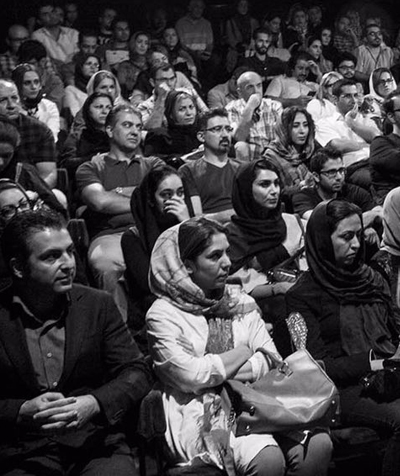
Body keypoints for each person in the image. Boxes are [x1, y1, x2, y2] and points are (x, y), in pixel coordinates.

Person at [286, 200, 400, 476]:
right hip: (344, 389)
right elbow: (314, 366)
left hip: (394, 375)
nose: (356, 245)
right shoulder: (301, 295)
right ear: (323, 240)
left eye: (359, 235)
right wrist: (378, 361)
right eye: (346, 237)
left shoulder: (371, 278)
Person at [146, 217, 332, 475]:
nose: (227, 263)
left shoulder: (237, 299)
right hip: (198, 405)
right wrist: (244, 352)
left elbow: (271, 359)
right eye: (214, 256)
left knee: (318, 445)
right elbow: (191, 376)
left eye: (227, 253)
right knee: (267, 459)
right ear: (187, 265)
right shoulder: (162, 314)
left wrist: (225, 365)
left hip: (259, 394)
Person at [0, 209, 151, 476]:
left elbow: (135, 372)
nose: (68, 263)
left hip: (93, 444)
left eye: (70, 251)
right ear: (18, 267)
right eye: (51, 256)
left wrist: (93, 403)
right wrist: (19, 410)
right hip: (21, 450)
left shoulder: (97, 304)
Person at [77, 105, 163, 318]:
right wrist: (145, 197)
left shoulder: (154, 164)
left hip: (153, 232)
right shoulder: (91, 168)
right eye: (127, 125)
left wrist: (117, 193)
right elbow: (100, 201)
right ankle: (118, 337)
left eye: (138, 126)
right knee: (108, 265)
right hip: (111, 235)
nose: (135, 131)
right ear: (109, 130)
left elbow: (166, 198)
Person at [121, 165, 192, 343]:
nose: (176, 201)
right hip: (155, 310)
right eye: (167, 195)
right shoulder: (133, 237)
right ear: (151, 199)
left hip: (193, 301)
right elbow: (151, 284)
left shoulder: (190, 226)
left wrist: (187, 225)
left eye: (180, 193)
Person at [225, 159, 305, 301]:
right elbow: (231, 285)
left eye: (276, 183)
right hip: (259, 302)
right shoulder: (231, 235)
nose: (274, 191)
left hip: (300, 289)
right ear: (246, 189)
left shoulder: (291, 222)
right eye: (264, 184)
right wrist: (277, 288)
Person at [180, 109, 241, 222]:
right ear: (201, 137)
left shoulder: (242, 169)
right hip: (211, 232)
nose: (225, 135)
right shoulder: (188, 171)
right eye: (217, 129)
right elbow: (197, 218)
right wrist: (226, 216)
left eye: (228, 129)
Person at [292, 145, 379, 222]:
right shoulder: (303, 197)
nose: (339, 177)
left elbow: (380, 211)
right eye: (331, 172)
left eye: (341, 171)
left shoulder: (352, 191)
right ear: (316, 176)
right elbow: (319, 222)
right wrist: (362, 224)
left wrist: (372, 216)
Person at [0, 80, 57, 188]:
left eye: (14, 98)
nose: (11, 105)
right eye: (2, 100)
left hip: (30, 191)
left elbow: (48, 174)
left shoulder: (39, 130)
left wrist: (32, 195)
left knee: (59, 197)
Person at [226, 71, 284, 159]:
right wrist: (249, 108)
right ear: (240, 92)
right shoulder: (232, 108)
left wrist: (268, 152)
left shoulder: (275, 106)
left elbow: (283, 137)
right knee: (240, 146)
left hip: (273, 153)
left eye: (259, 85)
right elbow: (239, 137)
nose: (256, 91)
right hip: (248, 156)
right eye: (250, 87)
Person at [262, 106, 317, 199]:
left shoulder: (312, 148)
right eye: (295, 126)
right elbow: (276, 192)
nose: (302, 131)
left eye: (305, 125)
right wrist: (303, 185)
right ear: (284, 129)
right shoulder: (271, 155)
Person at [143, 89, 199, 163]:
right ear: (171, 115)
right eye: (182, 109)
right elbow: (151, 163)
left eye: (191, 107)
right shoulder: (159, 136)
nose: (189, 113)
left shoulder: (202, 134)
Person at [12, 63, 61, 140]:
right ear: (17, 85)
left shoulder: (49, 106)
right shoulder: (11, 108)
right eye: (27, 83)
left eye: (36, 82)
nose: (33, 87)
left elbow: (52, 137)